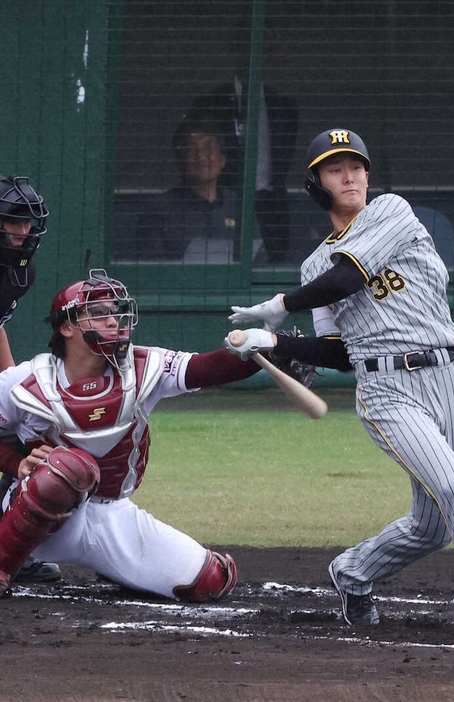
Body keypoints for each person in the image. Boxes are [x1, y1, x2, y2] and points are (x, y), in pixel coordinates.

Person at [224, 128, 454, 626]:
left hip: (447, 376)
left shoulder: (390, 211)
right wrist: (274, 343)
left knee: (432, 527)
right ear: (316, 184)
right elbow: (339, 352)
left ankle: (353, 571)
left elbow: (348, 278)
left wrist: (280, 305)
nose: (350, 175)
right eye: (335, 168)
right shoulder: (314, 265)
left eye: (356, 165)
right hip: (387, 391)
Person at [0, 268, 264, 599]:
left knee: (209, 582)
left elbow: (205, 368)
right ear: (66, 327)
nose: (113, 321)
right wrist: (16, 465)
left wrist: (268, 352)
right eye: (98, 314)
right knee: (66, 469)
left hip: (112, 511)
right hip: (38, 519)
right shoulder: (26, 380)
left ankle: (117, 567)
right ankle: (4, 566)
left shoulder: (144, 365)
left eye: (116, 313)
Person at [190, 27, 299, 265]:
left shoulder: (285, 109)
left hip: (272, 207)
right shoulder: (211, 104)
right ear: (236, 51)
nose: (259, 57)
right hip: (226, 203)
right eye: (252, 49)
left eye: (267, 50)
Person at [0, 175, 62, 585]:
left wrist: (11, 387)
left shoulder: (19, 271)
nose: (23, 231)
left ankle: (12, 548)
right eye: (13, 221)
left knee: (25, 428)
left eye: (28, 222)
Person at [134, 115, 261, 263]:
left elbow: (258, 261)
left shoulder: (240, 205)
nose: (200, 156)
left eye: (208, 148)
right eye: (191, 150)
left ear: (222, 160)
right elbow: (151, 268)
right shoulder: (159, 210)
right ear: (180, 161)